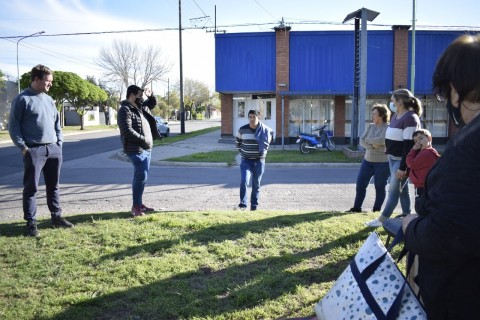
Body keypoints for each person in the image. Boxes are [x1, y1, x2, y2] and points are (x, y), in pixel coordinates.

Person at [402, 34, 480, 320]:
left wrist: (411, 227)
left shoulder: (470, 147)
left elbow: (449, 233)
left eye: (444, 94)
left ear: (456, 90)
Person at [9, 64, 74, 237]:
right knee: (31, 188)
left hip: (53, 149)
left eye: (51, 82)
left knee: (54, 186)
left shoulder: (49, 99)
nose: (50, 84)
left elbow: (56, 124)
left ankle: (56, 217)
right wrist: (24, 148)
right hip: (34, 151)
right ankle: (31, 223)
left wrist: (59, 142)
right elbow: (13, 127)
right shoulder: (22, 99)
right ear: (36, 79)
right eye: (47, 81)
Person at [365, 88, 422, 227]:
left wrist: (403, 168)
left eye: (392, 100)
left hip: (401, 161)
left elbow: (409, 145)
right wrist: (388, 147)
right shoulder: (396, 115)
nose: (391, 102)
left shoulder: (410, 118)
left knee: (393, 190)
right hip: (392, 157)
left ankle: (382, 220)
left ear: (400, 102)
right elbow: (393, 136)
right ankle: (406, 216)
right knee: (403, 190)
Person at [117, 85, 162, 217]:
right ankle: (136, 206)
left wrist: (150, 95)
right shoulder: (125, 110)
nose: (141, 98)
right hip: (135, 149)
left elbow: (152, 103)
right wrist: (143, 139)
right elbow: (127, 130)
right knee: (141, 176)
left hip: (146, 148)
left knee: (141, 177)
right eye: (139, 95)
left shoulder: (140, 107)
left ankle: (139, 204)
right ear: (132, 95)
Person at [346, 104, 390, 213]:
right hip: (367, 161)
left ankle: (376, 210)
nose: (372, 116)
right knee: (360, 184)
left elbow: (382, 140)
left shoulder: (388, 127)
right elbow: (361, 139)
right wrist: (371, 146)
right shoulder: (371, 126)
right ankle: (357, 208)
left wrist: (369, 140)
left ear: (382, 115)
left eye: (375, 113)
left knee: (380, 186)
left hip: (382, 163)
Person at [236, 109, 274, 211]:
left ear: (258, 118)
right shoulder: (242, 130)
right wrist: (244, 153)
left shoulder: (264, 130)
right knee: (244, 181)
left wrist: (263, 153)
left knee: (256, 185)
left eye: (254, 117)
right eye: (250, 117)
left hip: (259, 161)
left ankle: (254, 207)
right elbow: (238, 143)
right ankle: (243, 205)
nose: (252, 119)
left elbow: (268, 141)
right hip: (246, 161)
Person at [406, 129, 440, 211]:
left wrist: (413, 150)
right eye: (415, 140)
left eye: (421, 138)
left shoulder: (426, 152)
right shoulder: (426, 152)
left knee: (421, 207)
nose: (418, 142)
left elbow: (411, 163)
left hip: (423, 185)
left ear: (429, 138)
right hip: (425, 185)